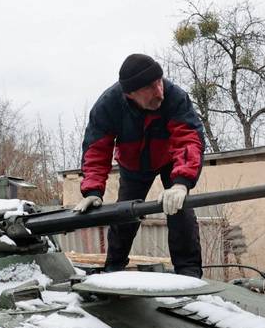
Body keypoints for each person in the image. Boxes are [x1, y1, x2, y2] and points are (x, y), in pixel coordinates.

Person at [74, 53, 206, 277]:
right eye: (150, 88)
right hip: (133, 165)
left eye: (159, 82)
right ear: (130, 94)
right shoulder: (108, 105)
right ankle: (113, 268)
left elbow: (188, 140)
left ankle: (189, 272)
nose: (159, 92)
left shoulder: (175, 97)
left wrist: (181, 183)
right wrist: (93, 190)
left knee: (179, 208)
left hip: (170, 160)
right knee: (124, 213)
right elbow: (97, 149)